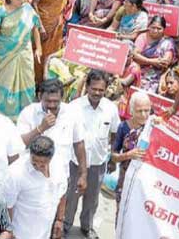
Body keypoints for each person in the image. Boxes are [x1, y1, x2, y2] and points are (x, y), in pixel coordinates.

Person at [63, 70, 120, 239]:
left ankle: (86, 227)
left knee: (92, 199)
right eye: (93, 89)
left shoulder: (111, 109)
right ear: (87, 86)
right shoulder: (74, 107)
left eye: (100, 90)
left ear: (106, 90)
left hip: (98, 163)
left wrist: (112, 158)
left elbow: (115, 134)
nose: (96, 93)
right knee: (71, 197)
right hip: (75, 162)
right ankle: (65, 225)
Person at [17, 79, 87, 188]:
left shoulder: (72, 113)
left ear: (62, 98)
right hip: (31, 177)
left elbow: (79, 144)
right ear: (40, 97)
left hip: (60, 178)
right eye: (48, 101)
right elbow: (19, 144)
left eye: (56, 101)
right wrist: (40, 128)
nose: (52, 105)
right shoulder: (28, 112)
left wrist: (83, 174)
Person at [2, 136, 67, 239]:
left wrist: (59, 220)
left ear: (51, 158)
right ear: (30, 154)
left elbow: (62, 192)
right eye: (34, 161)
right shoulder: (15, 173)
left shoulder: (58, 165)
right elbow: (7, 206)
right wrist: (7, 231)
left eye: (43, 163)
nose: (38, 165)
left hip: (46, 231)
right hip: (21, 234)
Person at [111, 92, 150, 207]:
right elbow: (114, 156)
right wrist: (128, 155)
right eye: (139, 111)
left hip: (144, 185)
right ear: (131, 110)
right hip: (125, 180)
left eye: (147, 110)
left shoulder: (153, 128)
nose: (143, 115)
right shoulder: (123, 127)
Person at [35, 0, 71, 83]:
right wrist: (40, 26)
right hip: (42, 26)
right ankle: (37, 82)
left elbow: (65, 3)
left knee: (53, 54)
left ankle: (50, 82)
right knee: (39, 55)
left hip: (57, 27)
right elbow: (33, 4)